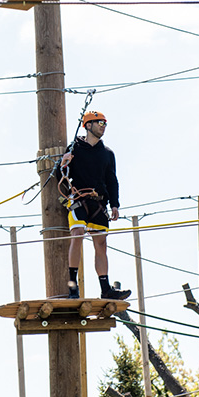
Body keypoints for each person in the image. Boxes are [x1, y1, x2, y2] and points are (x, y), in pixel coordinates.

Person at [59, 110, 131, 301]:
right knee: (77, 235)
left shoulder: (107, 153)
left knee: (101, 244)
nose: (103, 126)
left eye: (105, 123)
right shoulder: (74, 148)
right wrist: (62, 163)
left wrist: (115, 204)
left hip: (99, 201)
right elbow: (61, 176)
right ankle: (73, 287)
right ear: (88, 125)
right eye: (100, 122)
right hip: (79, 199)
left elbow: (112, 180)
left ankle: (105, 288)